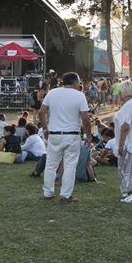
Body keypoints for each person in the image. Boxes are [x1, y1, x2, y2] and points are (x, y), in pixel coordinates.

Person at [38, 72, 92, 203]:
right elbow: (85, 118)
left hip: (54, 134)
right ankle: (66, 194)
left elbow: (41, 112)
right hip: (72, 135)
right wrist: (88, 135)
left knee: (51, 165)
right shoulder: (79, 96)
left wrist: (45, 128)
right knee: (70, 166)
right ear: (74, 82)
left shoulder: (52, 93)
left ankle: (48, 193)